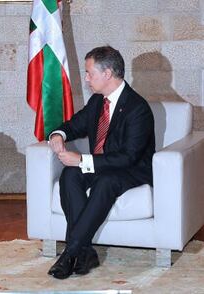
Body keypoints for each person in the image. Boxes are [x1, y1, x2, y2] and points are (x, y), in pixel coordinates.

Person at [47, 46, 155, 279]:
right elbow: (74, 125)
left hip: (132, 170)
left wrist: (82, 159)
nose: (86, 78)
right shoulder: (98, 102)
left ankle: (70, 252)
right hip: (102, 165)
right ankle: (85, 251)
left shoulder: (138, 108)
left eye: (89, 73)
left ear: (107, 74)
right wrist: (58, 135)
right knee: (70, 175)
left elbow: (129, 157)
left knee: (105, 181)